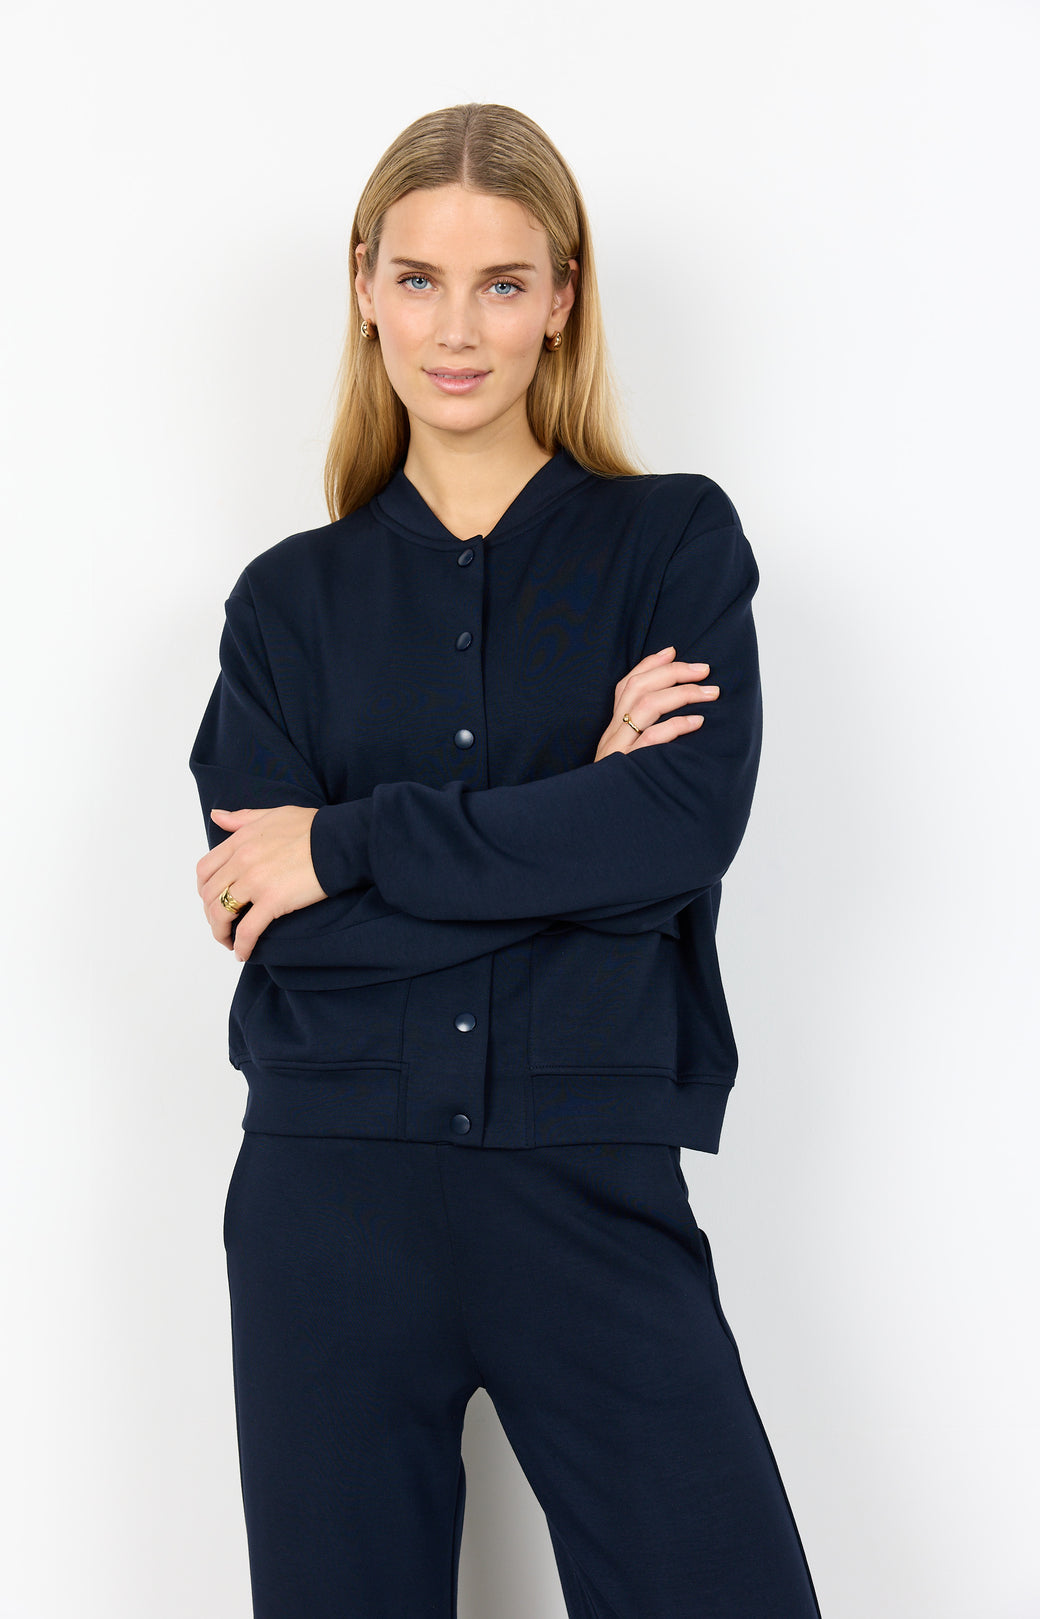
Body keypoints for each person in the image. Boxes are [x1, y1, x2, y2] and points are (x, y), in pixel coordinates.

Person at [189, 101, 822, 1619]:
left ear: (564, 296)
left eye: (500, 282)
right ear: (363, 288)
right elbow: (275, 932)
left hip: (586, 1190)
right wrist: (567, 838)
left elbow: (675, 836)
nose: (456, 329)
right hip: (328, 1207)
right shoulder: (286, 607)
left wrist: (346, 845)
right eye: (418, 279)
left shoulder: (671, 547)